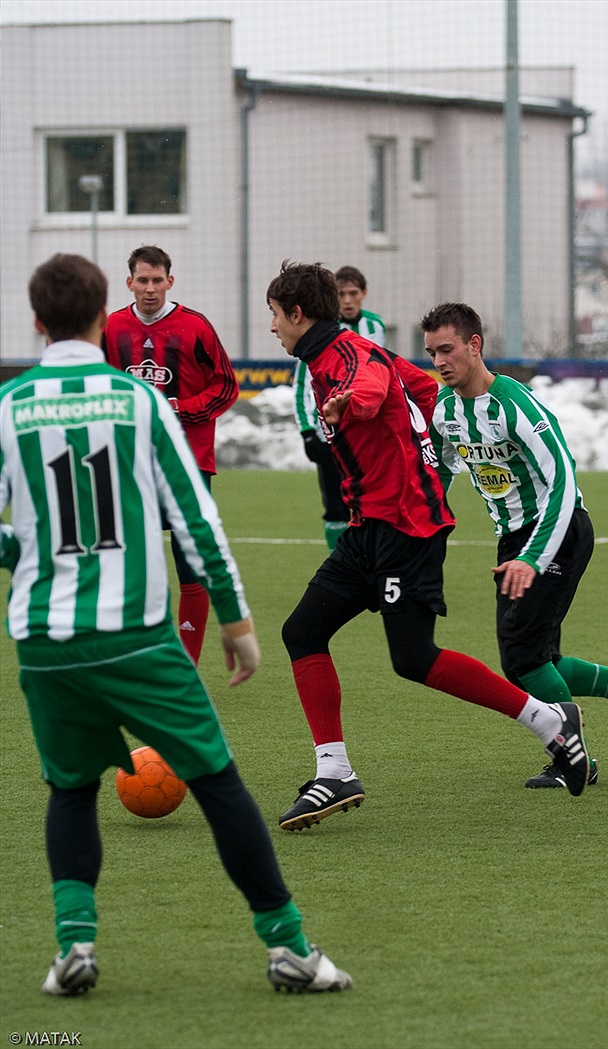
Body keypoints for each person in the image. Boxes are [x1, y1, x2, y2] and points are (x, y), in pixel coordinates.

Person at [0, 253, 351, 996]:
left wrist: (22, 550)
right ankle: (287, 945)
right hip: (134, 632)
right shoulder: (136, 401)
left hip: (44, 637)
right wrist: (235, 616)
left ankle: (73, 948)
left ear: (35, 322)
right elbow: (193, 516)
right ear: (105, 318)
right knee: (220, 783)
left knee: (70, 790)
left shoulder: (10, 404)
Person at [267, 260, 593, 833]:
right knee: (303, 631)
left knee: (414, 658)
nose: (272, 328)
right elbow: (414, 384)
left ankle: (550, 725)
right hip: (369, 526)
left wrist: (354, 405)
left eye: (274, 315)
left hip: (406, 529)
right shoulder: (341, 354)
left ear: (297, 314)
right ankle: (334, 771)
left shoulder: (346, 355)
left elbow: (368, 384)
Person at [423, 302, 608, 788]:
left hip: (557, 530)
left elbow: (562, 483)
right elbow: (441, 470)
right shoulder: (447, 410)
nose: (438, 361)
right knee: (539, 659)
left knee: (521, 656)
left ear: (475, 346)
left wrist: (533, 557)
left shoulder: (517, 406)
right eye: (432, 352)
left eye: (447, 349)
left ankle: (573, 757)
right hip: (514, 538)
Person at [102, 245, 238, 665]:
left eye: (157, 280)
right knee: (128, 565)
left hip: (188, 464)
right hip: (132, 463)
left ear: (170, 282)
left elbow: (226, 386)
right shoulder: (112, 328)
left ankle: (187, 665)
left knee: (189, 566)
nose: (149, 289)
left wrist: (181, 410)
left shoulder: (195, 327)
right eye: (142, 280)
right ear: (129, 283)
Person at [292, 266, 386, 551]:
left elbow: (382, 373)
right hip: (329, 434)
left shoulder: (376, 326)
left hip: (367, 435)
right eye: (341, 294)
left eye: (353, 293)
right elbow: (301, 385)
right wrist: (308, 432)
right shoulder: (320, 330)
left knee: (370, 501)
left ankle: (368, 559)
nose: (347, 300)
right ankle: (338, 561)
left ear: (363, 294)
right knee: (335, 505)